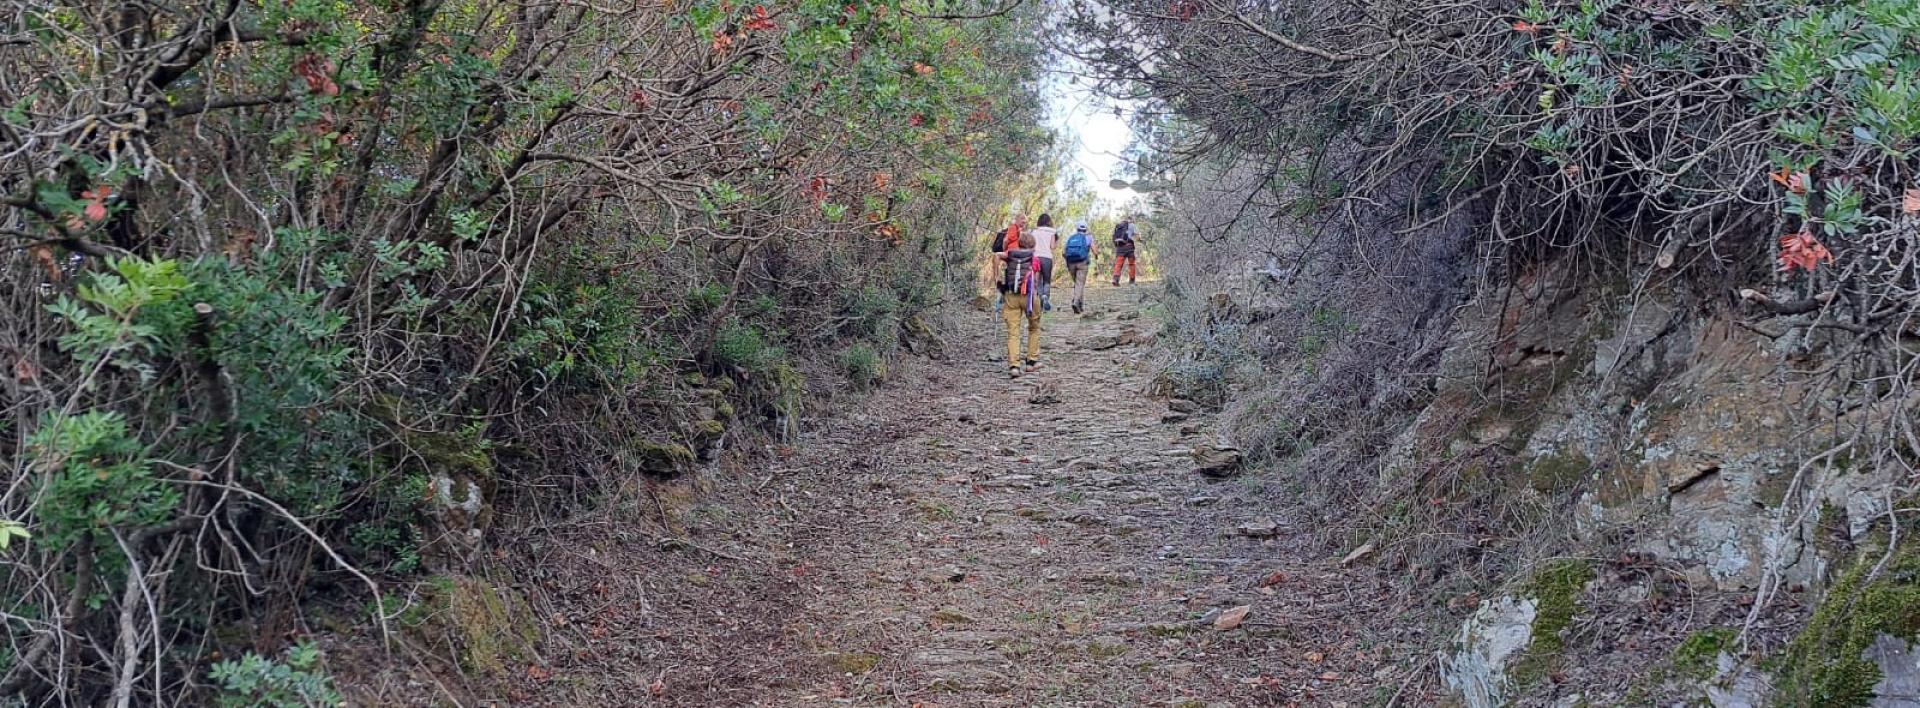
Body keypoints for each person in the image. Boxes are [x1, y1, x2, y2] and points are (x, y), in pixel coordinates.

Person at [996, 229, 1043, 377]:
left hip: (1011, 296)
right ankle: (1031, 362)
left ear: (1019, 243)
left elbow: (996, 255)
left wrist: (997, 277)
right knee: (1034, 328)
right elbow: (1036, 280)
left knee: (1013, 332)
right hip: (1029, 297)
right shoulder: (1035, 260)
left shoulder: (1010, 255)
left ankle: (1014, 367)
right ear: (1033, 246)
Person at [1062, 220, 1094, 314]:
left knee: (1077, 284)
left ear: (1077, 228)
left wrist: (1068, 260)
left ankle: (1080, 305)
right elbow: (1095, 250)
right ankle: (1076, 301)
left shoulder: (1071, 237)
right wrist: (1096, 255)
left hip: (1071, 263)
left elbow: (1063, 252)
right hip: (1082, 262)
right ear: (1086, 229)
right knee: (1080, 284)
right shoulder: (1088, 237)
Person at [1028, 214, 1059, 311]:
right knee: (1046, 280)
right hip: (1047, 258)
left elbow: (1030, 245)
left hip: (1036, 257)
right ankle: (1046, 297)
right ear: (1049, 221)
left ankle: (1041, 299)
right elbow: (1053, 247)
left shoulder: (1034, 231)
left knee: (1038, 281)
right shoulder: (1052, 231)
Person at [1111, 217, 1138, 286]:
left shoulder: (1119, 226)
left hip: (1120, 248)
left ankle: (1115, 280)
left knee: (1118, 264)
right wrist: (1140, 240)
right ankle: (1132, 281)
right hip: (1129, 247)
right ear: (1131, 220)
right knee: (1132, 264)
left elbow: (1114, 236)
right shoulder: (1132, 225)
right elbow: (1137, 236)